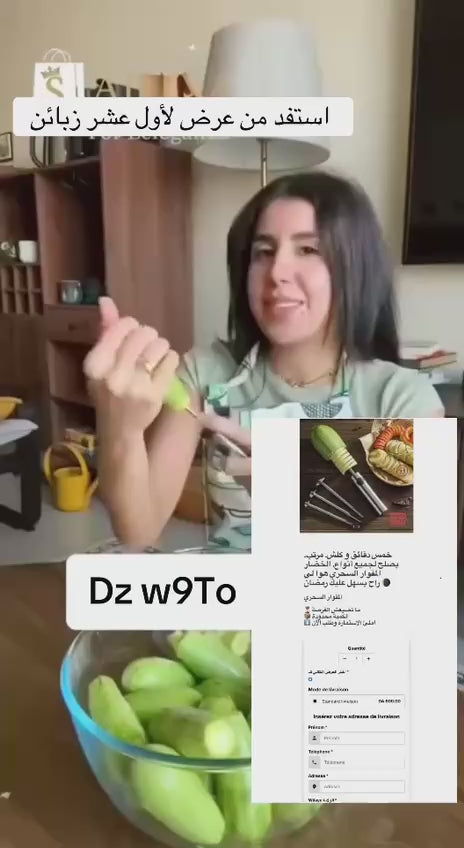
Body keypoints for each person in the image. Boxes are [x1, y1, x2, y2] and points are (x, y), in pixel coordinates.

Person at [83, 170, 443, 551]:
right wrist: (120, 428)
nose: (276, 272)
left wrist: (299, 495)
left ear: (356, 267)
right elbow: (138, 532)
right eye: (263, 252)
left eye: (308, 250)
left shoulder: (402, 399)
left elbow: (417, 563)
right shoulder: (207, 374)